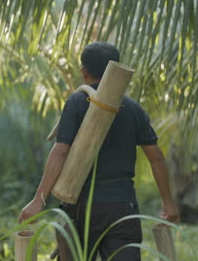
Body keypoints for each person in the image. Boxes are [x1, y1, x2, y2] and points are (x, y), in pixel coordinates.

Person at [18, 42, 180, 261]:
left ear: (84, 71)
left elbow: (61, 151)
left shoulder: (77, 101)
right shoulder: (133, 108)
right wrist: (168, 203)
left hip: (81, 210)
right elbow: (156, 157)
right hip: (122, 208)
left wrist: (39, 200)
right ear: (117, 69)